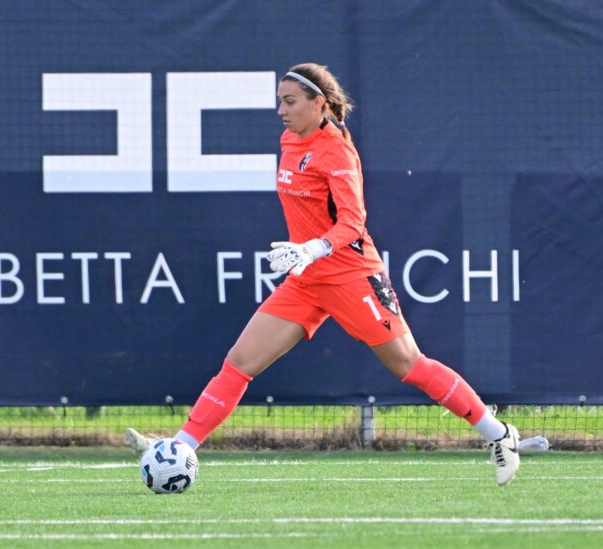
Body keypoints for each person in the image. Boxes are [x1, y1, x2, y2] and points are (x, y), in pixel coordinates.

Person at [128, 63, 521, 485]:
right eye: (279, 100)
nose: (281, 110)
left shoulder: (337, 150)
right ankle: (180, 447)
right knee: (239, 363)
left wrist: (312, 247)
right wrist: (304, 253)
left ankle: (498, 435)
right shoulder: (289, 139)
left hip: (351, 274)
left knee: (407, 364)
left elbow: (353, 222)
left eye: (290, 101)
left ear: (320, 104)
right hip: (307, 278)